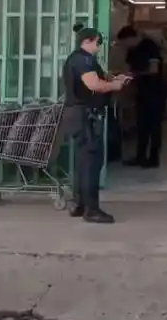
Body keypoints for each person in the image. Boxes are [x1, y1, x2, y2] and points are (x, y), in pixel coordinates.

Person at [63, 27, 130, 224]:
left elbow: (96, 79)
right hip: (86, 116)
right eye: (98, 43)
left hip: (78, 115)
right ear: (88, 41)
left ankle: (79, 204)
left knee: (83, 162)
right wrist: (115, 86)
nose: (99, 47)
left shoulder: (76, 58)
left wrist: (112, 78)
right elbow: (93, 84)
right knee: (92, 162)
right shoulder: (84, 59)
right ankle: (91, 210)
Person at [117, 25, 167, 168]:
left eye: (125, 42)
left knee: (154, 126)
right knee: (142, 126)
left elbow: (154, 70)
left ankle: (153, 158)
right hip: (141, 91)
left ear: (132, 38)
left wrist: (134, 75)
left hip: (155, 91)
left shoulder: (150, 47)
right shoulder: (132, 51)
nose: (125, 46)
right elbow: (128, 68)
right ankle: (140, 156)